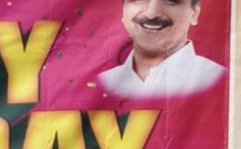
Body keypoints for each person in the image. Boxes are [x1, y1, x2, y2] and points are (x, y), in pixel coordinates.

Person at [97, 0, 226, 99]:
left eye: (170, 1)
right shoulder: (101, 84)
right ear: (123, 10)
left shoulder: (223, 83)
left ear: (195, 13)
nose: (151, 14)